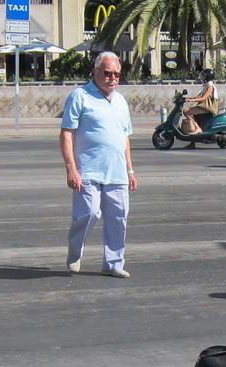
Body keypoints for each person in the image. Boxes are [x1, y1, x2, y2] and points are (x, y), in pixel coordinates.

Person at [60, 51, 138, 279]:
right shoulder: (79, 96)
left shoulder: (121, 100)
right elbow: (66, 134)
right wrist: (71, 169)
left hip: (117, 172)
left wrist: (130, 169)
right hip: (88, 170)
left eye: (116, 74)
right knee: (88, 213)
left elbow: (125, 137)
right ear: (95, 72)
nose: (112, 78)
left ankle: (113, 263)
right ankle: (75, 252)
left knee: (118, 218)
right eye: (107, 73)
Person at [181, 69, 219, 135]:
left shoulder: (210, 86)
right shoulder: (206, 85)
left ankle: (198, 128)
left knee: (186, 111)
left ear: (207, 77)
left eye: (204, 75)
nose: (202, 77)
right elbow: (198, 96)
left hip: (209, 107)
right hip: (205, 106)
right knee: (190, 113)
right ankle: (192, 141)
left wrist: (191, 100)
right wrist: (187, 98)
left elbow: (203, 98)